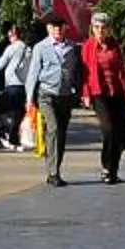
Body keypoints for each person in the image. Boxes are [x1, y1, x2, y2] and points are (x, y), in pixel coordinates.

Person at [80, 11, 125, 183]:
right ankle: (106, 166)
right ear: (93, 29)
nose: (100, 31)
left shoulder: (115, 46)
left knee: (119, 132)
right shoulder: (88, 47)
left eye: (103, 28)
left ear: (109, 29)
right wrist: (85, 94)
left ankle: (114, 170)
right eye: (97, 27)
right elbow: (84, 73)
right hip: (99, 93)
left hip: (117, 92)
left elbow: (122, 71)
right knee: (108, 130)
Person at [30, 16, 82, 186]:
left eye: (60, 27)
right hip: (46, 94)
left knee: (61, 133)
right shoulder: (41, 47)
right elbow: (33, 73)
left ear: (65, 28)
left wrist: (78, 92)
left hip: (65, 95)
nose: (57, 30)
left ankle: (55, 169)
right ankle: (52, 172)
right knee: (53, 128)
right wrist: (29, 98)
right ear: (48, 29)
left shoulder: (72, 47)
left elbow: (77, 72)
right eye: (54, 27)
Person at [0, 23, 34, 149]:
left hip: (12, 84)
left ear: (11, 34)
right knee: (18, 113)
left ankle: (7, 134)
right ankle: (14, 138)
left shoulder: (11, 48)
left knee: (1, 110)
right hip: (23, 86)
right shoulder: (28, 50)